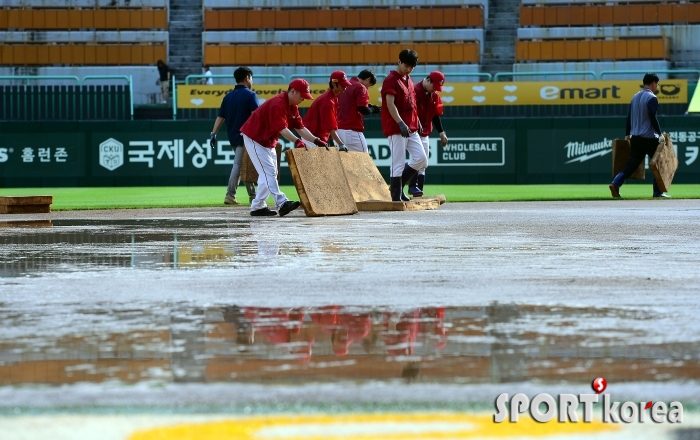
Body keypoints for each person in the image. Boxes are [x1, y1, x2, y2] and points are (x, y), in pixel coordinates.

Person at [239, 78, 328, 216]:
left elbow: (300, 127)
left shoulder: (292, 106)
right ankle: (282, 202)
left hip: (267, 140)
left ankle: (257, 206)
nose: (303, 99)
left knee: (269, 173)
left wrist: (316, 140)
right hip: (254, 137)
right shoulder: (278, 103)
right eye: (302, 96)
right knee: (268, 172)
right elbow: (282, 129)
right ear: (293, 91)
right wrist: (297, 141)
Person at [610, 73, 670, 199]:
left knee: (631, 164)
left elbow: (629, 117)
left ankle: (616, 183)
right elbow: (652, 117)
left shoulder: (635, 97)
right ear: (653, 83)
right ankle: (658, 191)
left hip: (635, 138)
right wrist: (659, 134)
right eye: (657, 84)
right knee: (659, 162)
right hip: (648, 137)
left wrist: (627, 133)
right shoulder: (651, 97)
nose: (657, 87)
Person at [381, 49, 428, 201]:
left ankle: (399, 187)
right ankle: (395, 195)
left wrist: (418, 121)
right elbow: (390, 104)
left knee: (421, 158)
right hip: (396, 127)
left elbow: (412, 104)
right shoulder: (391, 79)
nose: (408, 69)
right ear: (399, 62)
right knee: (398, 161)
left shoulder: (408, 79)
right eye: (406, 65)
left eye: (412, 67)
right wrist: (400, 123)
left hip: (411, 126)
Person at [209, 67, 259, 206]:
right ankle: (230, 195)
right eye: (251, 78)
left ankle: (253, 196)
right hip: (246, 137)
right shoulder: (251, 95)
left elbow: (220, 117)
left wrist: (213, 134)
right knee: (239, 165)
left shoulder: (228, 96)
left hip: (233, 137)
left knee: (244, 166)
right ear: (248, 77)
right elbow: (256, 116)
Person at [408, 71, 448, 197]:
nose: (435, 90)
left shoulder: (434, 95)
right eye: (434, 86)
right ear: (428, 80)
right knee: (418, 159)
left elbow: (435, 115)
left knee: (424, 163)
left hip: (425, 131)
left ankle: (418, 189)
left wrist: (441, 132)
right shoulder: (414, 90)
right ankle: (411, 186)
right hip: (413, 131)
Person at [301, 70, 352, 149]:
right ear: (333, 83)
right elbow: (330, 126)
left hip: (318, 137)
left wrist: (330, 139)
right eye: (342, 84)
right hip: (311, 137)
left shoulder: (334, 98)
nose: (345, 86)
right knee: (316, 161)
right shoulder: (327, 101)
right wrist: (341, 144)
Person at [337, 69, 381, 153]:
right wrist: (373, 109)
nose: (368, 87)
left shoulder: (345, 86)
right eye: (369, 85)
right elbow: (362, 109)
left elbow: (351, 103)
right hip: (352, 131)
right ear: (368, 79)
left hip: (339, 132)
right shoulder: (361, 87)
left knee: (345, 163)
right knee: (365, 161)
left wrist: (369, 106)